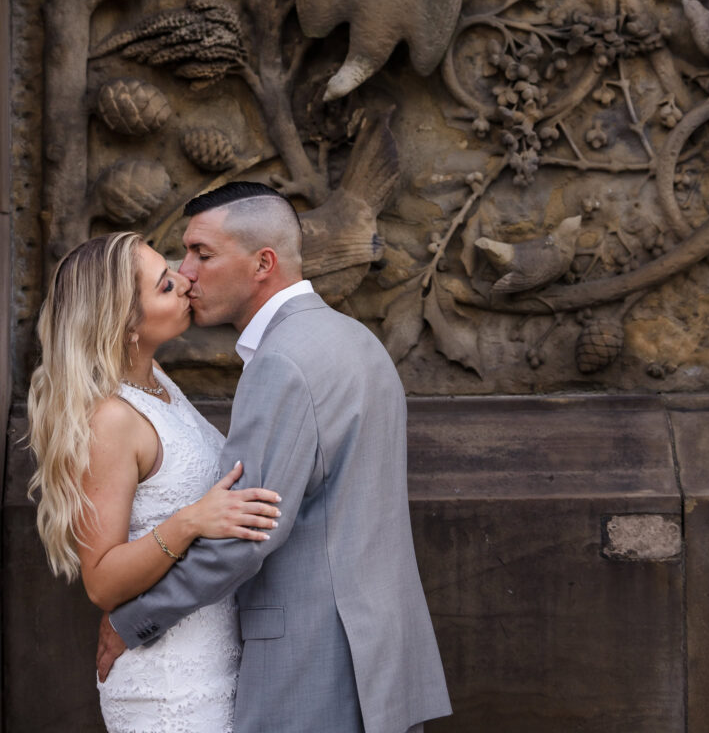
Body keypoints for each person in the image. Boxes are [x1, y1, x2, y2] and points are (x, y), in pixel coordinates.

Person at [100, 182, 451, 733]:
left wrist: (134, 622)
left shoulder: (282, 362)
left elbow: (246, 534)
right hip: (380, 654)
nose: (186, 272)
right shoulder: (356, 339)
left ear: (263, 262)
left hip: (314, 665)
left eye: (203, 253)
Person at [27, 232, 282, 732]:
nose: (187, 281)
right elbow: (101, 581)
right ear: (125, 327)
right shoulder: (110, 420)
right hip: (168, 690)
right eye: (166, 285)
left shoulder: (156, 380)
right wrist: (191, 522)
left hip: (215, 663)